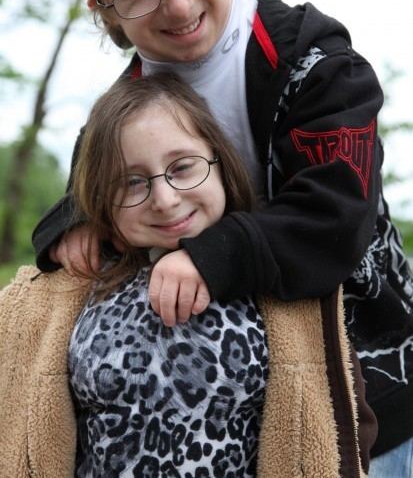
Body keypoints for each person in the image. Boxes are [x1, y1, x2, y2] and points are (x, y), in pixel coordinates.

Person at [31, 0, 413, 471]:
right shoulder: (118, 109)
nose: (178, 5)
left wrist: (210, 255)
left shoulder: (317, 66)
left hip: (369, 397)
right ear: (103, 8)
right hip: (222, 423)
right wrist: (72, 224)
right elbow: (87, 189)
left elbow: (334, 217)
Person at [0, 72, 374, 476]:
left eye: (182, 167)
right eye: (131, 182)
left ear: (220, 162)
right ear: (99, 199)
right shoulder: (72, 288)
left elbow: (346, 428)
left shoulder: (279, 278)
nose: (164, 199)